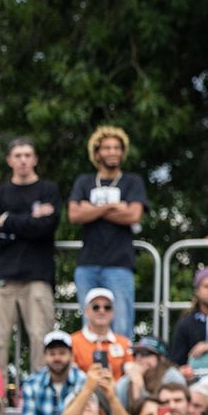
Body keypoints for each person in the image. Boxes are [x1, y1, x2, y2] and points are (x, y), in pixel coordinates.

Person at [0, 139, 62, 373]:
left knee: (40, 340)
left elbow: (47, 227)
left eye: (28, 155)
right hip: (2, 277)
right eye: (18, 155)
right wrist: (31, 221)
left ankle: (40, 399)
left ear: (35, 159)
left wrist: (9, 221)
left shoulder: (48, 190)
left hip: (38, 277)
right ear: (9, 160)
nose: (23, 160)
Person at [67, 126, 147, 339]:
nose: (112, 152)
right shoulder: (84, 181)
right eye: (107, 147)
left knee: (121, 325)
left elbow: (133, 215)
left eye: (117, 148)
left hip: (120, 265)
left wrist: (91, 208)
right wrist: (112, 207)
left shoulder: (132, 181)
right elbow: (74, 215)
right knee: (90, 327)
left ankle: (121, 371)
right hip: (87, 265)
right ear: (96, 153)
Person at [20, 329, 88, 415]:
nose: (57, 358)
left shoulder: (83, 381)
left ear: (71, 355)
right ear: (45, 356)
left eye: (62, 353)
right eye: (52, 354)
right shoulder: (32, 384)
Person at [70, 287, 134, 380]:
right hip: (83, 391)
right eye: (96, 307)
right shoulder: (72, 341)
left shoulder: (124, 342)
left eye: (107, 307)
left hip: (115, 392)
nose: (102, 311)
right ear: (86, 311)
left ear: (113, 312)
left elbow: (131, 370)